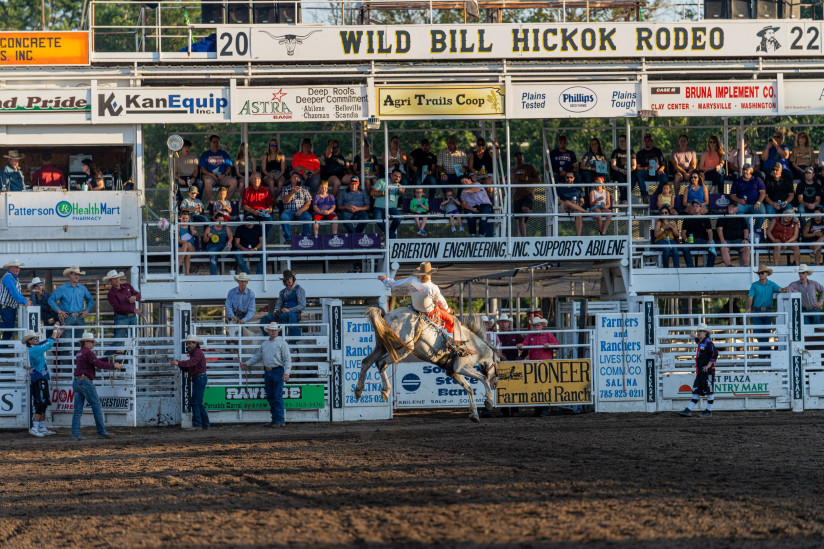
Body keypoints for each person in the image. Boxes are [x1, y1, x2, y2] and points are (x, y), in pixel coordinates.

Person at [378, 262, 476, 356]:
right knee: (453, 320)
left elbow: (394, 284)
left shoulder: (412, 280)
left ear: (419, 273)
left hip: (414, 309)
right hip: (430, 313)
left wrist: (385, 279)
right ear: (430, 274)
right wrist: (449, 311)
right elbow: (442, 303)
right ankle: (457, 345)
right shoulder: (433, 288)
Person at [71, 331, 123, 440]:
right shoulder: (88, 353)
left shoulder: (80, 352)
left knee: (77, 410)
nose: (93, 344)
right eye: (92, 342)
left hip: (77, 381)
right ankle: (101, 432)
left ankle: (75, 434)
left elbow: (95, 361)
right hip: (85, 381)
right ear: (86, 342)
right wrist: (114, 365)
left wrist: (108, 358)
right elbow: (97, 363)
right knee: (96, 406)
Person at [242, 321, 291, 428]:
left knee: (277, 396)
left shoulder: (282, 343)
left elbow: (287, 359)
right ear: (268, 331)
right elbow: (258, 356)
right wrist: (247, 363)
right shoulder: (265, 344)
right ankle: (275, 419)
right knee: (270, 395)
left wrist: (287, 372)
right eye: (272, 330)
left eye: (275, 330)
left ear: (277, 331)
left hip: (278, 370)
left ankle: (279, 419)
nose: (274, 332)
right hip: (268, 371)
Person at [517, 316, 560, 418]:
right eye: (535, 325)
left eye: (538, 325)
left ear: (542, 326)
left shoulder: (548, 335)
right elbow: (525, 343)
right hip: (534, 365)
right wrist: (521, 345)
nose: (536, 327)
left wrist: (549, 344)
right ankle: (538, 409)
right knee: (535, 387)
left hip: (545, 364)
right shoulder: (530, 335)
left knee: (544, 387)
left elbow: (557, 345)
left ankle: (544, 409)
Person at [24, 326, 63, 437]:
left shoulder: (35, 348)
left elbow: (48, 341)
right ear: (29, 341)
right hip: (39, 378)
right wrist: (55, 329)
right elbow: (50, 342)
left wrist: (58, 332)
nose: (36, 339)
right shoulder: (35, 350)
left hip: (40, 377)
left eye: (36, 337)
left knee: (43, 402)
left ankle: (42, 426)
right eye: (34, 338)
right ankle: (35, 427)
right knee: (41, 402)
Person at [677, 322, 718, 418]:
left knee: (709, 390)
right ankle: (689, 409)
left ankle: (708, 410)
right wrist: (693, 336)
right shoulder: (701, 342)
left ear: (705, 333)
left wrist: (708, 365)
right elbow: (697, 340)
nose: (699, 333)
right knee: (696, 389)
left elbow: (715, 353)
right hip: (701, 371)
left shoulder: (708, 343)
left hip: (707, 371)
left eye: (701, 331)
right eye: (698, 331)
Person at [171, 335, 210, 430]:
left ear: (195, 344)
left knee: (195, 402)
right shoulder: (196, 353)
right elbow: (191, 365)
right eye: (187, 343)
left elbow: (191, 363)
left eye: (189, 343)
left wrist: (179, 363)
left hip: (199, 378)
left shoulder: (196, 353)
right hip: (199, 378)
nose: (188, 345)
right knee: (198, 402)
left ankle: (197, 425)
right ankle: (205, 424)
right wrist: (180, 364)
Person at [49, 265, 93, 343]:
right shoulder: (62, 288)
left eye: (78, 274)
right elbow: (51, 300)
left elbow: (90, 300)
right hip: (67, 317)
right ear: (70, 275)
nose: (77, 276)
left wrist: (87, 310)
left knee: (80, 342)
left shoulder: (82, 288)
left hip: (80, 317)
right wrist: (59, 311)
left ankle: (78, 355)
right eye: (75, 274)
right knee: (67, 342)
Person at [746, 266, 781, 358]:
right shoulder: (754, 285)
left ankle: (763, 356)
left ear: (766, 274)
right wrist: (749, 308)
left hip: (768, 311)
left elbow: (780, 289)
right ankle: (769, 354)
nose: (760, 275)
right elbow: (750, 297)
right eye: (759, 273)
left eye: (762, 273)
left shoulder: (772, 284)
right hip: (757, 311)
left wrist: (788, 289)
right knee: (759, 334)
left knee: (766, 334)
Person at [104, 270, 141, 347]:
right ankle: (107, 357)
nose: (117, 280)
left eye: (117, 278)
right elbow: (117, 307)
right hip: (122, 317)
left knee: (133, 339)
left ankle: (126, 358)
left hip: (130, 317)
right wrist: (133, 310)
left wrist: (135, 296)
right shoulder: (111, 293)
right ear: (110, 281)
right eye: (114, 278)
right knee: (119, 340)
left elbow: (138, 295)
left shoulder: (127, 286)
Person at [199, 134, 237, 202]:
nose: (216, 144)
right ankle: (211, 203)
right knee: (207, 181)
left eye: (217, 142)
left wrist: (224, 175)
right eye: (214, 142)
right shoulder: (205, 154)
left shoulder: (224, 154)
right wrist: (211, 174)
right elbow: (202, 169)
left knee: (234, 182)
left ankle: (226, 202)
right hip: (210, 176)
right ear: (210, 143)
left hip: (222, 176)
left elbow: (229, 167)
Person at [510, 151, 539, 237]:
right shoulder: (511, 170)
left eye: (520, 156)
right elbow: (504, 180)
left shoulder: (530, 167)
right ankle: (524, 238)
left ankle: (529, 211)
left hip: (528, 193)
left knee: (525, 209)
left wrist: (525, 178)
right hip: (516, 196)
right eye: (517, 156)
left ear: (523, 158)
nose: (519, 158)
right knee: (520, 218)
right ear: (514, 159)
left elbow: (538, 179)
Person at [0, 259, 30, 340]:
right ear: (10, 268)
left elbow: (17, 293)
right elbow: (14, 293)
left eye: (18, 267)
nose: (18, 269)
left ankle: (3, 347)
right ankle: (3, 347)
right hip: (6, 306)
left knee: (9, 328)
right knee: (9, 326)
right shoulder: (8, 278)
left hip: (10, 306)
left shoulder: (13, 278)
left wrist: (25, 300)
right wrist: (24, 301)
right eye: (15, 267)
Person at [682, 200, 716, 268]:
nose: (695, 208)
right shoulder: (687, 218)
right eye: (694, 206)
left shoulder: (705, 218)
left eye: (697, 206)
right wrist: (686, 239)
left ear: (700, 207)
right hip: (691, 241)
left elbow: (710, 231)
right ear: (691, 208)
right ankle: (691, 268)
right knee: (685, 247)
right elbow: (683, 232)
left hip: (703, 240)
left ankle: (709, 269)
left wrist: (710, 240)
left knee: (712, 247)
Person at [279, 171, 313, 239]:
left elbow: (308, 202)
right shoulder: (285, 188)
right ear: (290, 179)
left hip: (301, 211)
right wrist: (293, 192)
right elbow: (284, 201)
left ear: (300, 179)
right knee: (283, 217)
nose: (296, 178)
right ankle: (288, 238)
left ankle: (306, 237)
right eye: (294, 177)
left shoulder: (305, 189)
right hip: (288, 211)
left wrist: (301, 210)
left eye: (297, 177)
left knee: (308, 218)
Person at [635, 133, 667, 203]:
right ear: (644, 142)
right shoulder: (640, 153)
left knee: (665, 178)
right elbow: (638, 167)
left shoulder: (657, 151)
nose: (647, 142)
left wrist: (661, 169)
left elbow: (664, 163)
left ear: (652, 141)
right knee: (639, 174)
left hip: (657, 172)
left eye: (649, 140)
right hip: (646, 172)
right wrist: (646, 168)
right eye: (646, 141)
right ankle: (645, 195)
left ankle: (654, 196)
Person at [716, 202, 751, 267]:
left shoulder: (741, 218)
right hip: (726, 240)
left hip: (738, 240)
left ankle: (746, 266)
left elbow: (746, 229)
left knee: (747, 246)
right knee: (723, 248)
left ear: (736, 209)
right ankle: (729, 266)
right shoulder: (722, 217)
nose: (731, 208)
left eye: (733, 207)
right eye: (729, 207)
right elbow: (719, 229)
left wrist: (745, 239)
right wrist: (722, 240)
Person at [273, 270, 305, 339]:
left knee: (287, 316)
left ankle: (294, 340)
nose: (289, 280)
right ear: (285, 281)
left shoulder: (299, 290)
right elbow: (279, 304)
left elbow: (302, 305)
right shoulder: (282, 292)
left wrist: (289, 310)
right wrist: (276, 310)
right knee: (267, 318)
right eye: (287, 279)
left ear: (293, 278)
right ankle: (275, 338)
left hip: (295, 314)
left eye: (290, 278)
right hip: (284, 314)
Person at [371, 169, 403, 239]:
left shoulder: (400, 186)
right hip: (379, 207)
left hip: (391, 209)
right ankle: (391, 235)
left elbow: (402, 192)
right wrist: (384, 193)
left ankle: (389, 234)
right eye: (395, 176)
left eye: (399, 177)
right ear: (391, 175)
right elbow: (372, 193)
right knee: (378, 219)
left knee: (399, 217)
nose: (397, 178)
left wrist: (401, 191)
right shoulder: (382, 181)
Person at [555, 172, 587, 237]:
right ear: (565, 178)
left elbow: (582, 201)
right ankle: (586, 212)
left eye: (571, 177)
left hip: (576, 208)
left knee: (578, 213)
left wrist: (578, 204)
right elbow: (558, 201)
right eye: (567, 177)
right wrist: (569, 203)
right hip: (564, 207)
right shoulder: (559, 187)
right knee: (567, 202)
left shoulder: (578, 188)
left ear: (574, 178)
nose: (569, 179)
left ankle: (578, 237)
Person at [226, 272, 256, 337]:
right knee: (230, 334)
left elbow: (251, 310)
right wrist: (232, 316)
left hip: (244, 316)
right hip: (233, 315)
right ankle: (229, 347)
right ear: (238, 282)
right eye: (241, 281)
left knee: (243, 336)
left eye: (244, 281)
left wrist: (244, 320)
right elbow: (228, 306)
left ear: (247, 282)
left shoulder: (251, 294)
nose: (242, 283)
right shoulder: (231, 292)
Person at [610, 134, 636, 203]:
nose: (621, 143)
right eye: (620, 141)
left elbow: (634, 165)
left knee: (634, 178)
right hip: (619, 171)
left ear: (627, 141)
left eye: (623, 141)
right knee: (620, 177)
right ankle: (625, 199)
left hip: (629, 171)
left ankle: (623, 197)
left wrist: (629, 170)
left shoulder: (631, 152)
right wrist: (621, 170)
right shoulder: (615, 152)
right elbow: (613, 165)